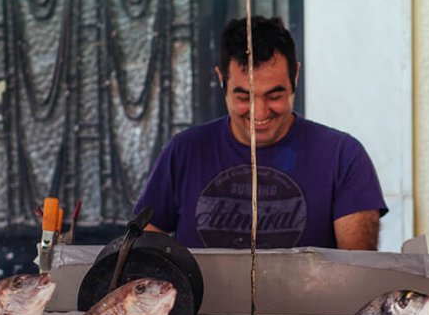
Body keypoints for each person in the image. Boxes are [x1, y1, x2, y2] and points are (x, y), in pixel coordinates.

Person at [134, 16, 387, 251]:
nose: (259, 112)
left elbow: (358, 267)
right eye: (243, 97)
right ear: (221, 79)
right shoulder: (185, 151)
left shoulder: (343, 156)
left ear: (295, 76)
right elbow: (144, 246)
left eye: (274, 96)